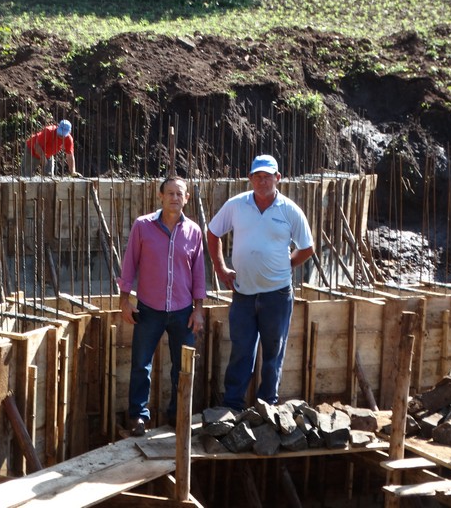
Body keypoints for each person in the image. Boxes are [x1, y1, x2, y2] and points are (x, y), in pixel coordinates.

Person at [207, 154, 314, 411]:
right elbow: (212, 233)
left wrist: (286, 264)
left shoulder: (290, 210)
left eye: (267, 177)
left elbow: (307, 248)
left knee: (273, 352)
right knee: (241, 350)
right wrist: (221, 268)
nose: (262, 181)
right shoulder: (236, 205)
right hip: (243, 294)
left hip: (276, 295)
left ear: (278, 178)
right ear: (250, 178)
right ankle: (233, 406)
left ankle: (267, 406)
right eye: (257, 177)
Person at [117, 176, 206, 436]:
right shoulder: (143, 226)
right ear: (160, 196)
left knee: (182, 367)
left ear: (186, 198)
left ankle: (177, 415)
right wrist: (124, 300)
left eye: (180, 194)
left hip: (182, 311)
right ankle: (138, 417)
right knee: (141, 364)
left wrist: (198, 308)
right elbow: (129, 264)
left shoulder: (194, 232)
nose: (174, 198)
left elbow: (199, 273)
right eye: (170, 193)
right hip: (149, 309)